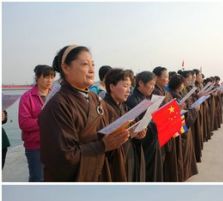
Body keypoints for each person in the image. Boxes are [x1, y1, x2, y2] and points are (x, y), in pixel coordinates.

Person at [39, 45, 129, 181]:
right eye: (85, 64)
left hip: (102, 170)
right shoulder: (57, 105)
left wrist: (128, 132)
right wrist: (102, 145)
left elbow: (111, 126)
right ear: (66, 67)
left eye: (93, 64)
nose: (92, 70)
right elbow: (63, 158)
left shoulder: (94, 98)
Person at [103, 68, 147, 181]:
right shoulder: (103, 108)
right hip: (113, 161)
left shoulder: (124, 107)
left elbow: (132, 128)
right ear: (111, 87)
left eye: (130, 86)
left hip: (128, 154)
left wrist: (137, 133)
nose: (129, 90)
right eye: (125, 86)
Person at [18, 65, 55, 181]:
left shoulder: (55, 95)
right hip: (35, 146)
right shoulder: (27, 97)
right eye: (46, 77)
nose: (49, 80)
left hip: (54, 145)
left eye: (52, 77)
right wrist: (43, 121)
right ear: (37, 78)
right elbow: (24, 123)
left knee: (53, 178)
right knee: (37, 178)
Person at [127, 71, 163, 182]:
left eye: (154, 84)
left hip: (151, 142)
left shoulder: (144, 99)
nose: (153, 87)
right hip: (143, 144)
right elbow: (140, 124)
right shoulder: (133, 100)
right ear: (141, 83)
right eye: (151, 84)